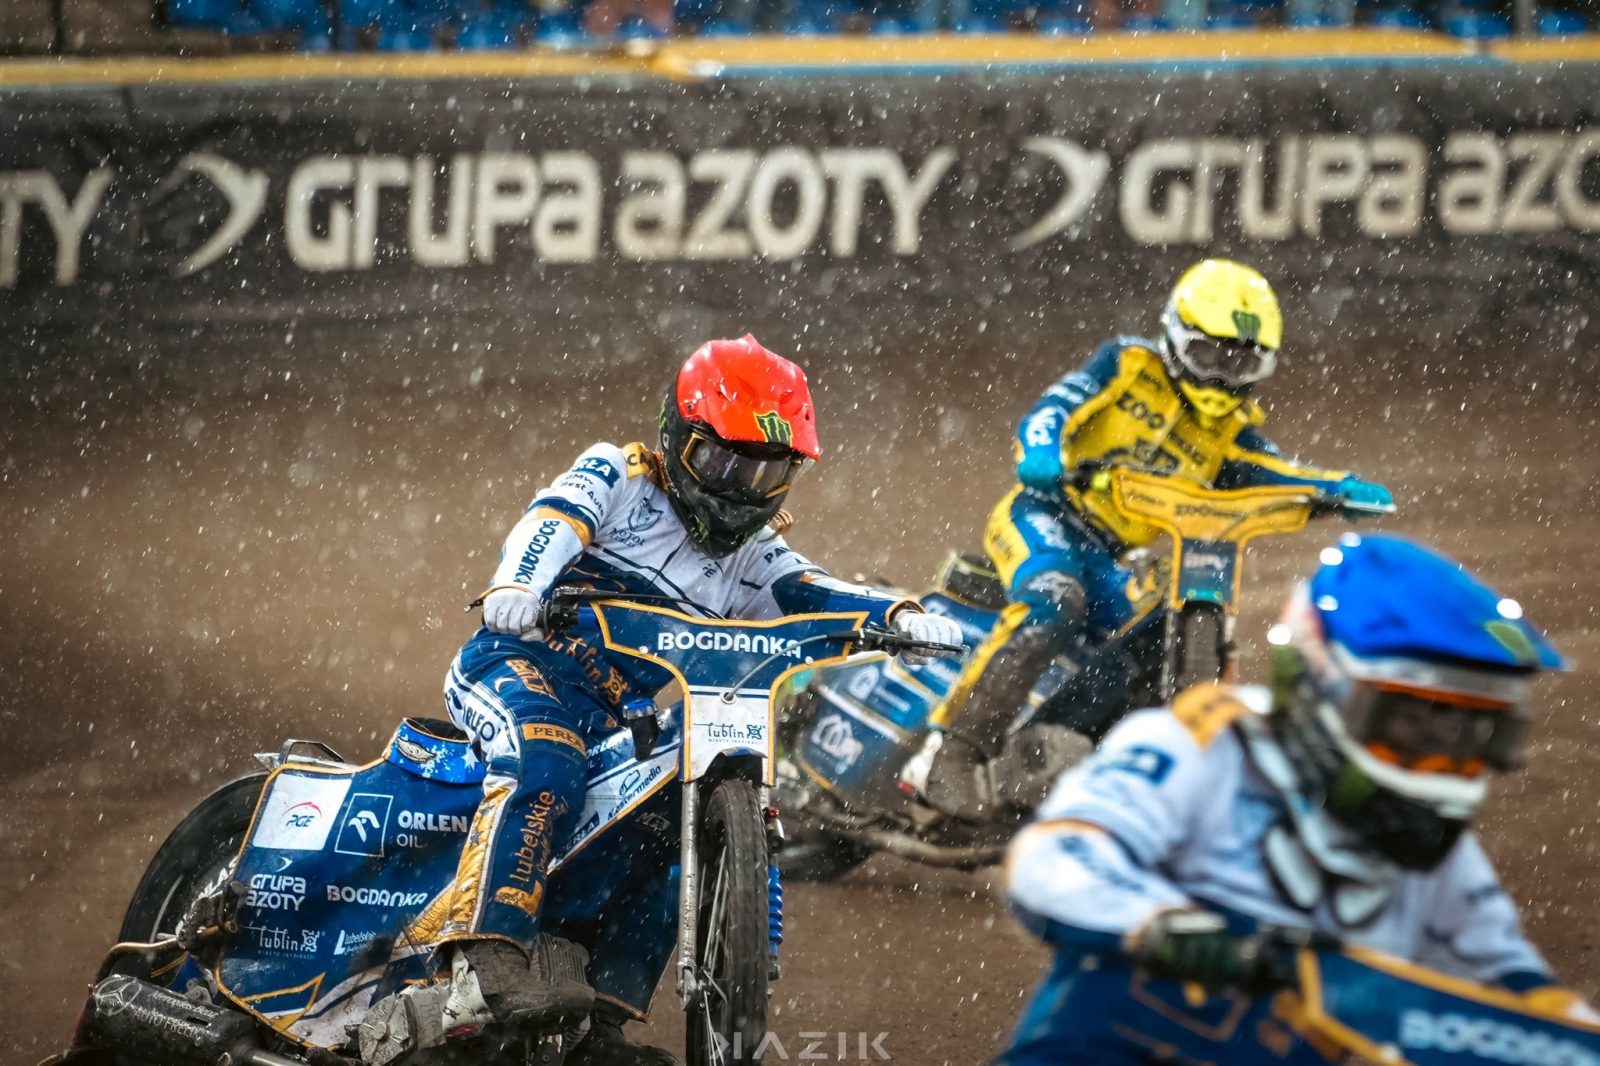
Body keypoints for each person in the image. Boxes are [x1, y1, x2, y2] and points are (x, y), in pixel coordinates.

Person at [426, 335, 962, 1063]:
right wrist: (520, 584)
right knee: (546, 758)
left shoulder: (753, 555)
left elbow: (812, 590)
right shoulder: (618, 474)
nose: (741, 488)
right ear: (676, 436)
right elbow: (552, 520)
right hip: (518, 663)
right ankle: (486, 960)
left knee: (670, 828)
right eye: (724, 462)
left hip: (619, 716)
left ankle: (598, 1023)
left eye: (765, 471)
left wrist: (898, 616)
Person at [998, 533, 1588, 1064]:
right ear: (1320, 684)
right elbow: (1053, 855)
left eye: (1475, 733)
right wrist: (1165, 928)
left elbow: (1519, 999)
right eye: (1414, 723)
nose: (1442, 760)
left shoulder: (1435, 850)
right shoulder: (1201, 747)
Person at [899, 257, 1393, 822]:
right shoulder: (1127, 365)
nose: (1220, 377)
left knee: (1152, 636)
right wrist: (1042, 452)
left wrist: (1337, 489)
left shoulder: (1233, 433)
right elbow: (1055, 409)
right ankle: (946, 754)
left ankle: (1059, 756)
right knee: (1056, 599)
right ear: (1176, 337)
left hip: (1112, 557)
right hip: (1044, 514)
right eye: (1209, 355)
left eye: (1240, 362)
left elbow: (1278, 474)